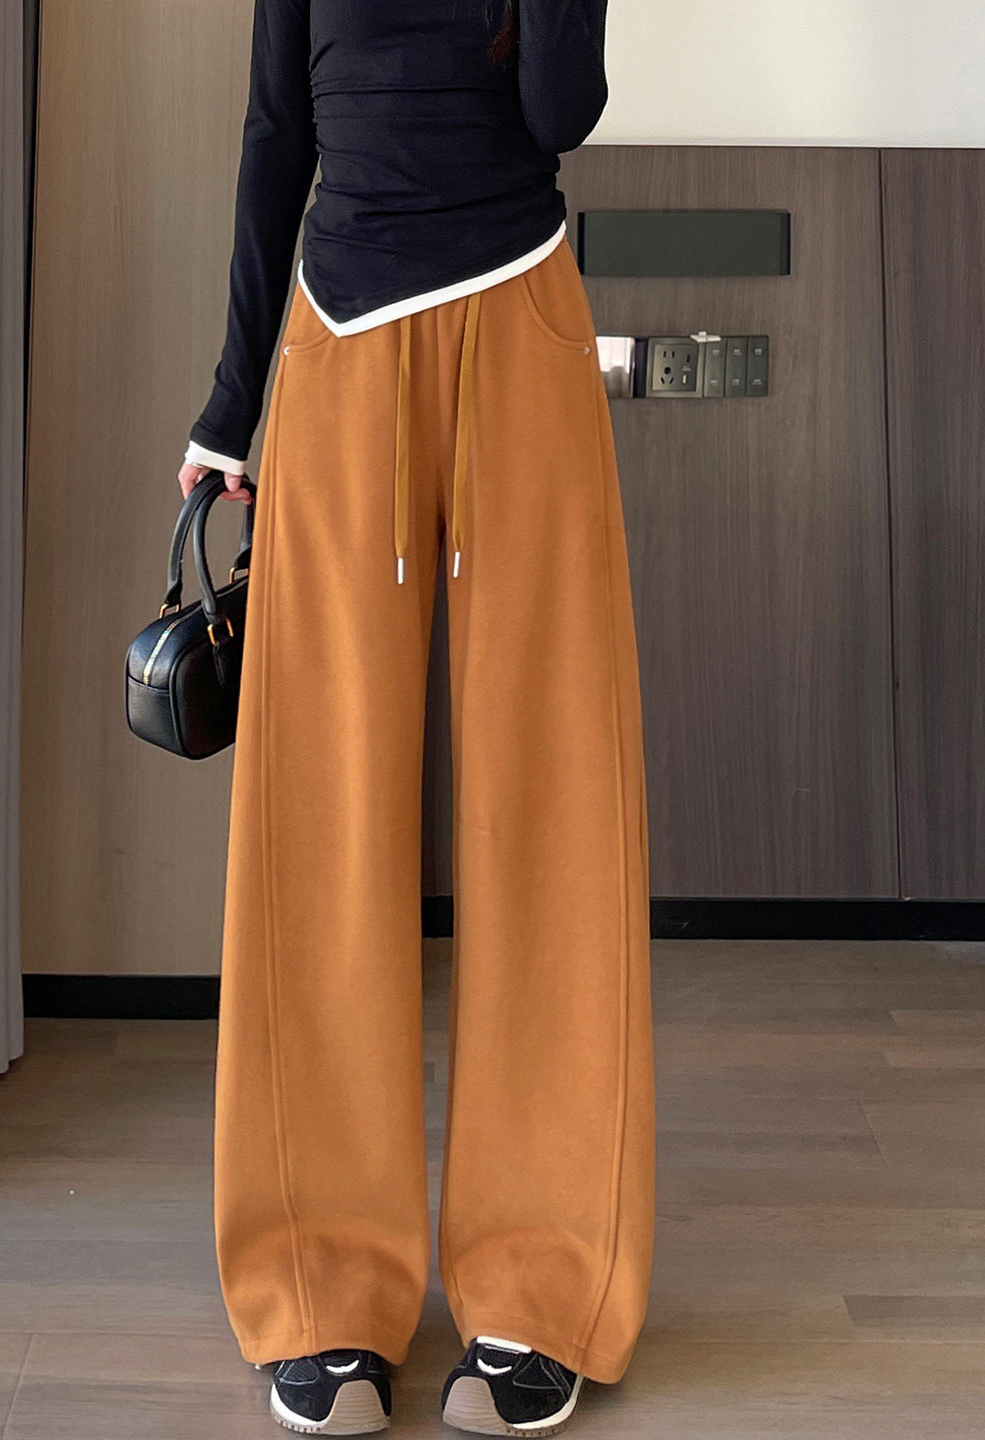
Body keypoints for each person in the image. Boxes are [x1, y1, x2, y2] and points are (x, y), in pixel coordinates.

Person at [178, 1, 655, 1433]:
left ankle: (541, 1285)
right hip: (336, 335)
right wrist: (229, 406)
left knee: (551, 798)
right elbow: (279, 135)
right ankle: (319, 1282)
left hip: (523, 318)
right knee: (322, 814)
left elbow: (562, 112)